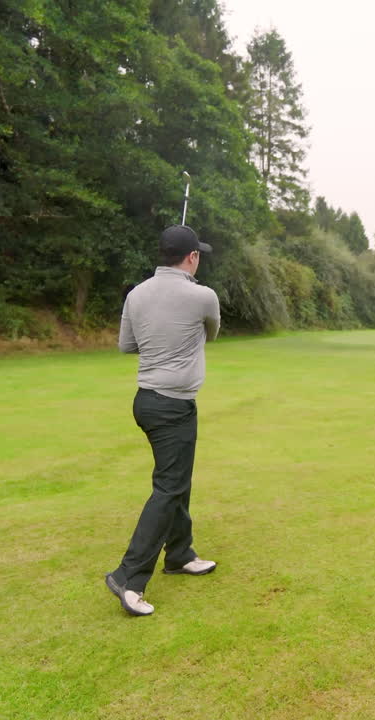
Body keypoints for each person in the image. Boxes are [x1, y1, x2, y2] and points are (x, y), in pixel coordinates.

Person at [105, 225, 221, 617]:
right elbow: (213, 332)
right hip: (173, 406)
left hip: (147, 402)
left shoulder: (136, 294)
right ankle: (129, 575)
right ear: (192, 257)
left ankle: (180, 553)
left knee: (176, 480)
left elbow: (127, 345)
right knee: (169, 487)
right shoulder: (203, 296)